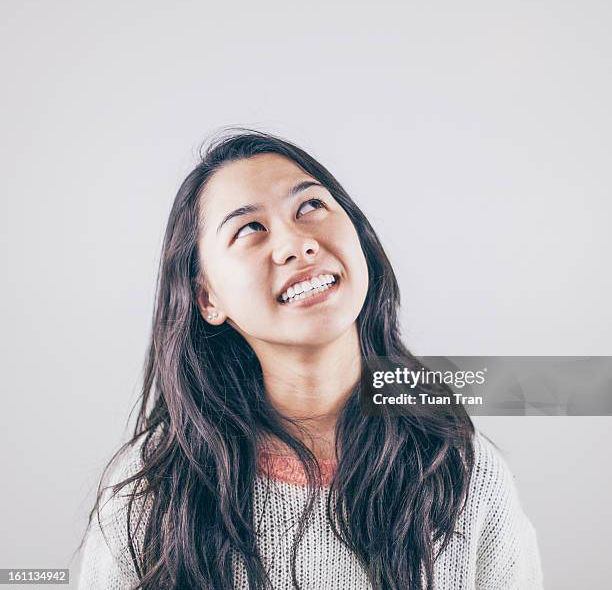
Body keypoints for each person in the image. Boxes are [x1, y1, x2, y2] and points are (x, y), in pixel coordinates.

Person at [77, 129, 543, 589]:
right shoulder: (150, 493)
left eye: (311, 206)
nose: (297, 244)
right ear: (207, 298)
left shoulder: (462, 468)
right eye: (250, 229)